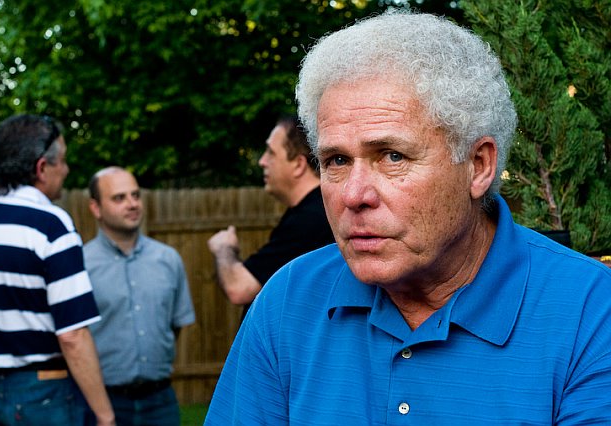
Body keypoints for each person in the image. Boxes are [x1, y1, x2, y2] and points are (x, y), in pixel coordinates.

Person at [205, 11, 611, 425]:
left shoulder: (590, 312)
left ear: (478, 165)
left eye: (393, 156)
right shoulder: (289, 301)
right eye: (337, 160)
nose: (353, 195)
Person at [0, 114, 115, 426]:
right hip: (43, 394)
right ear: (40, 168)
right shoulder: (50, 224)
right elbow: (73, 335)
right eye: (61, 161)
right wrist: (105, 416)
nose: (66, 169)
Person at [84, 166, 195, 426]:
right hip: (102, 403)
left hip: (160, 402)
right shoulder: (80, 265)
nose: (132, 204)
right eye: (119, 198)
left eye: (135, 195)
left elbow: (175, 325)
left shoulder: (168, 259)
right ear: (96, 208)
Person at [207, 115, 334, 319]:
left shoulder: (310, 219)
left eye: (271, 153)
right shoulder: (310, 212)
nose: (262, 161)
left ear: (298, 165)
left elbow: (239, 287)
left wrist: (224, 248)